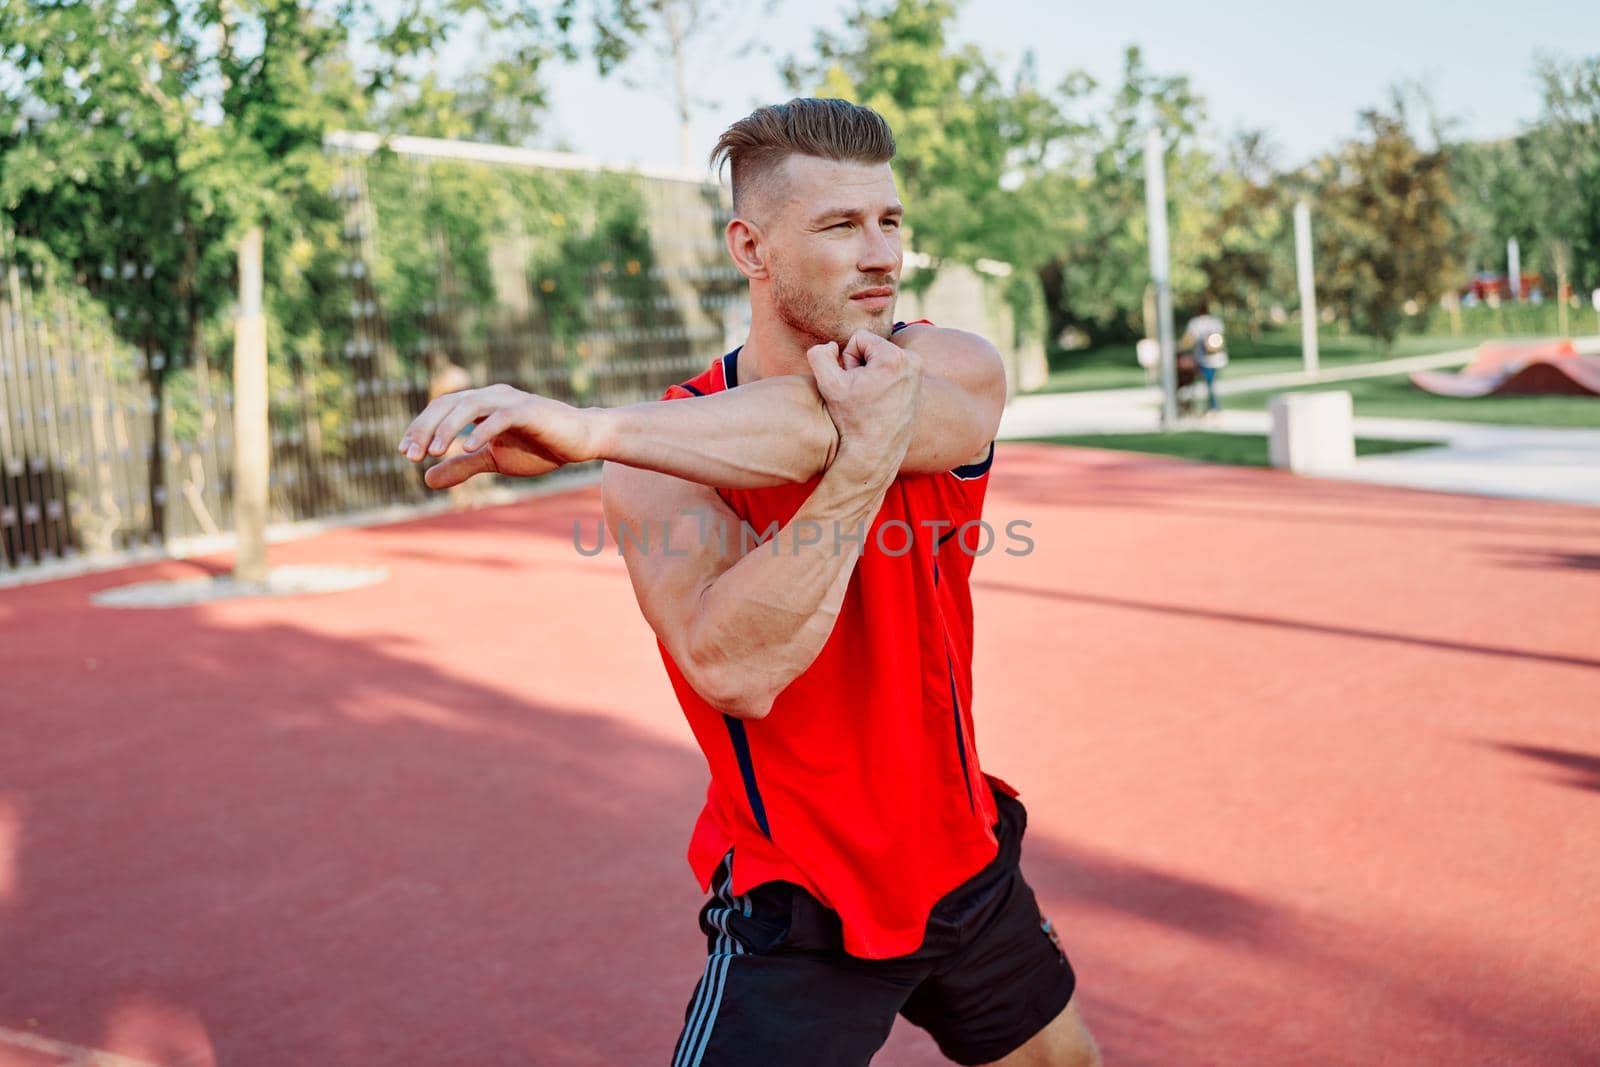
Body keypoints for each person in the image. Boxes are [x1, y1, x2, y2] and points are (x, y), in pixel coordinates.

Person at [397, 98, 1099, 1067]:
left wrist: (592, 427)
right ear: (751, 248)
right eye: (839, 225)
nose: (881, 253)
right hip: (800, 899)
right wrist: (855, 470)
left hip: (966, 857)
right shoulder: (656, 461)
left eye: (890, 220)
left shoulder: (951, 365)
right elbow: (738, 670)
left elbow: (824, 422)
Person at [1180, 311, 1227, 414]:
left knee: (1204, 383)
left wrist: (1180, 348)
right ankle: (1212, 406)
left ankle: (1213, 406)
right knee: (1210, 383)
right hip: (1218, 359)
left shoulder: (1195, 323)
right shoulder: (1216, 322)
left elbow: (1188, 340)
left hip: (1203, 359)